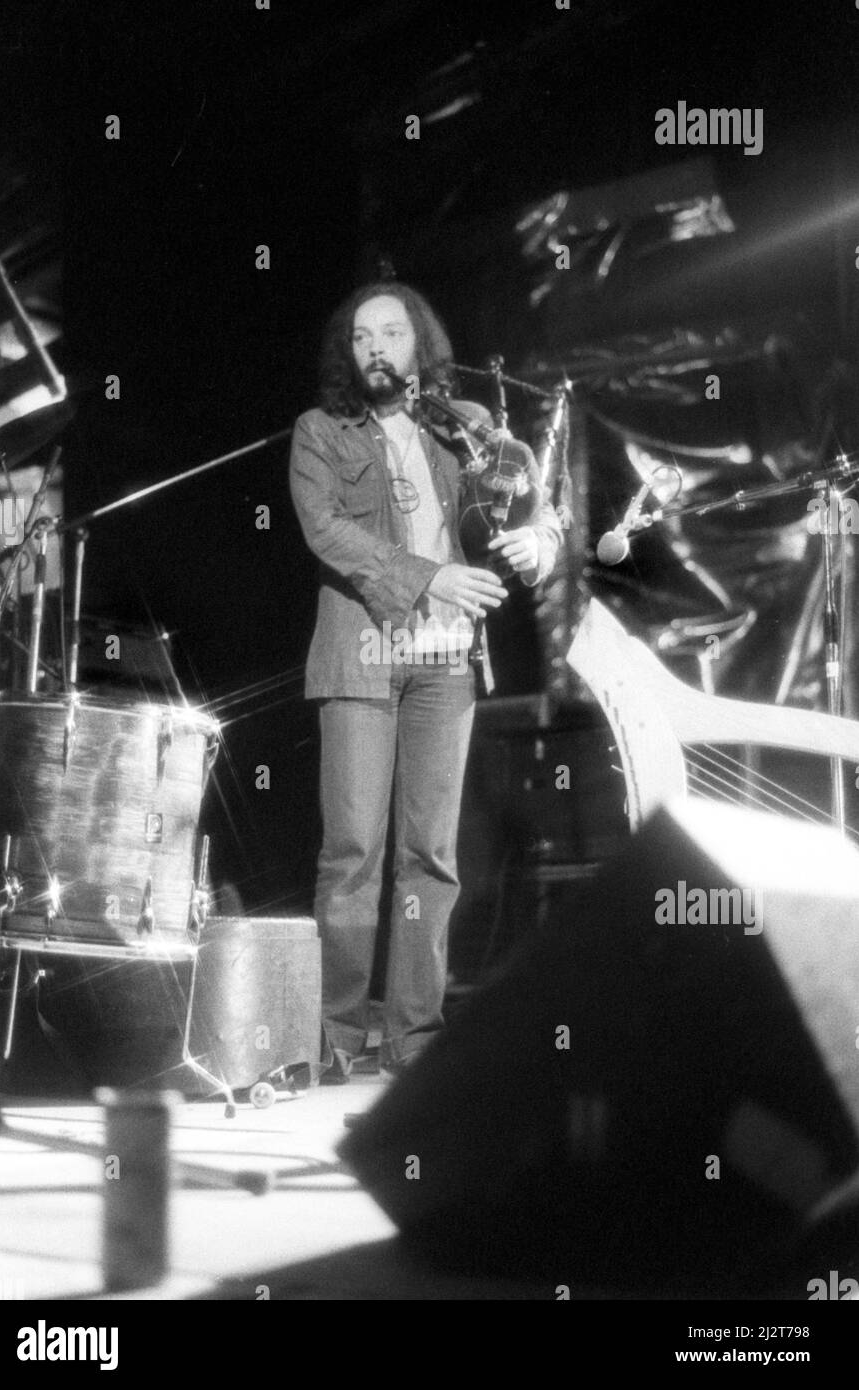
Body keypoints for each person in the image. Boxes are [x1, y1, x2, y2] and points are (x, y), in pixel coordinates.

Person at [289, 281, 562, 1081]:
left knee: (430, 855)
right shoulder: (320, 431)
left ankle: (412, 1038)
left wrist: (537, 548)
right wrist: (432, 578)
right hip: (360, 654)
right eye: (363, 337)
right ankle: (334, 1037)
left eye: (393, 335)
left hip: (447, 662)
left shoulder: (469, 426)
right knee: (352, 851)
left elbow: (544, 509)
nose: (377, 349)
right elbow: (325, 532)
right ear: (349, 352)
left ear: (421, 348)